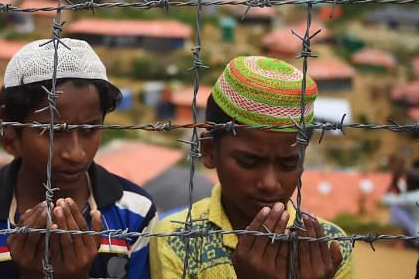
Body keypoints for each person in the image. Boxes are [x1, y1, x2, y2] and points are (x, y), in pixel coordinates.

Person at [0, 38, 158, 278]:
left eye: (89, 130)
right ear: (11, 127)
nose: (76, 153)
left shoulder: (135, 213)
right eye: (54, 132)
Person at [150, 56, 355, 278]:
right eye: (248, 162)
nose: (269, 183)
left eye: (288, 164)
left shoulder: (326, 248)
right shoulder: (179, 240)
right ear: (209, 151)